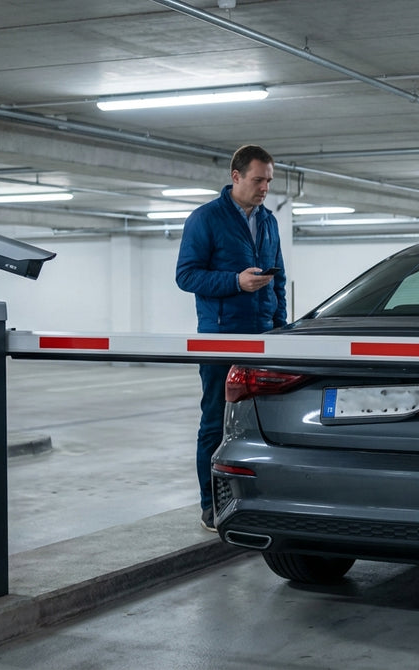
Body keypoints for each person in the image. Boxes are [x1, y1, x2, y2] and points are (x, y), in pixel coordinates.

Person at [175, 144, 287, 531]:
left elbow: (279, 281)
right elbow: (186, 275)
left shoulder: (269, 221)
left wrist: (280, 328)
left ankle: (259, 498)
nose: (265, 188)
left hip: (264, 338)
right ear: (235, 176)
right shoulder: (205, 219)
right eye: (258, 180)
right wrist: (235, 282)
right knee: (215, 422)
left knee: (263, 421)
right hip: (221, 338)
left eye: (269, 180)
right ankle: (212, 504)